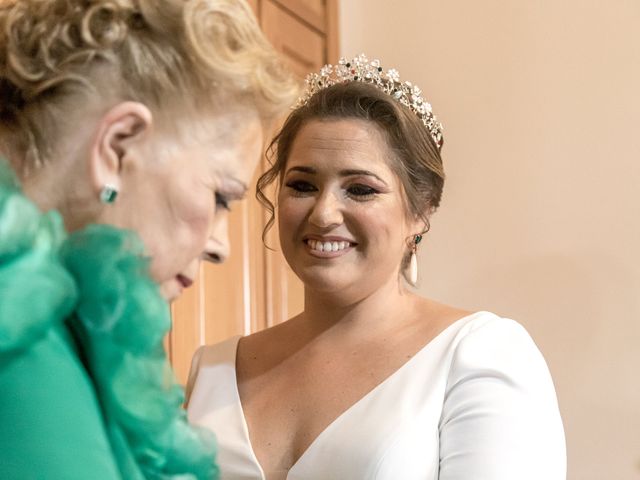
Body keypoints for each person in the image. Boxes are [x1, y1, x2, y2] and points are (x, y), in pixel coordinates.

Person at [186, 54, 567, 479]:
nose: (324, 213)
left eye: (361, 189)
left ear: (420, 211)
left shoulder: (478, 356)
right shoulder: (213, 371)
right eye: (302, 185)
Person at [0, 0, 297, 479]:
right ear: (117, 147)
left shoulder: (79, 336)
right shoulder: (25, 355)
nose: (220, 246)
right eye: (221, 197)